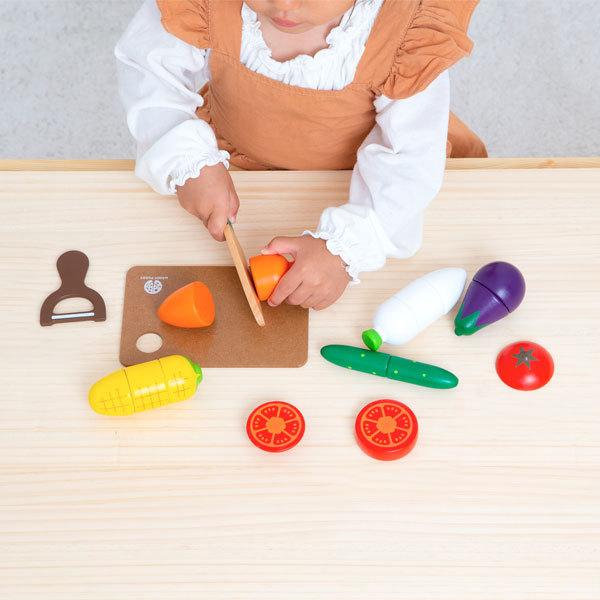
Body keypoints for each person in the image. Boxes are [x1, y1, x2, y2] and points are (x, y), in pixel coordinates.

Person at [116, 0, 486, 310]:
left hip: (364, 183)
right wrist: (186, 160)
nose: (284, 5)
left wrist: (344, 249)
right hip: (232, 158)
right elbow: (150, 70)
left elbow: (410, 162)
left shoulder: (407, 34)